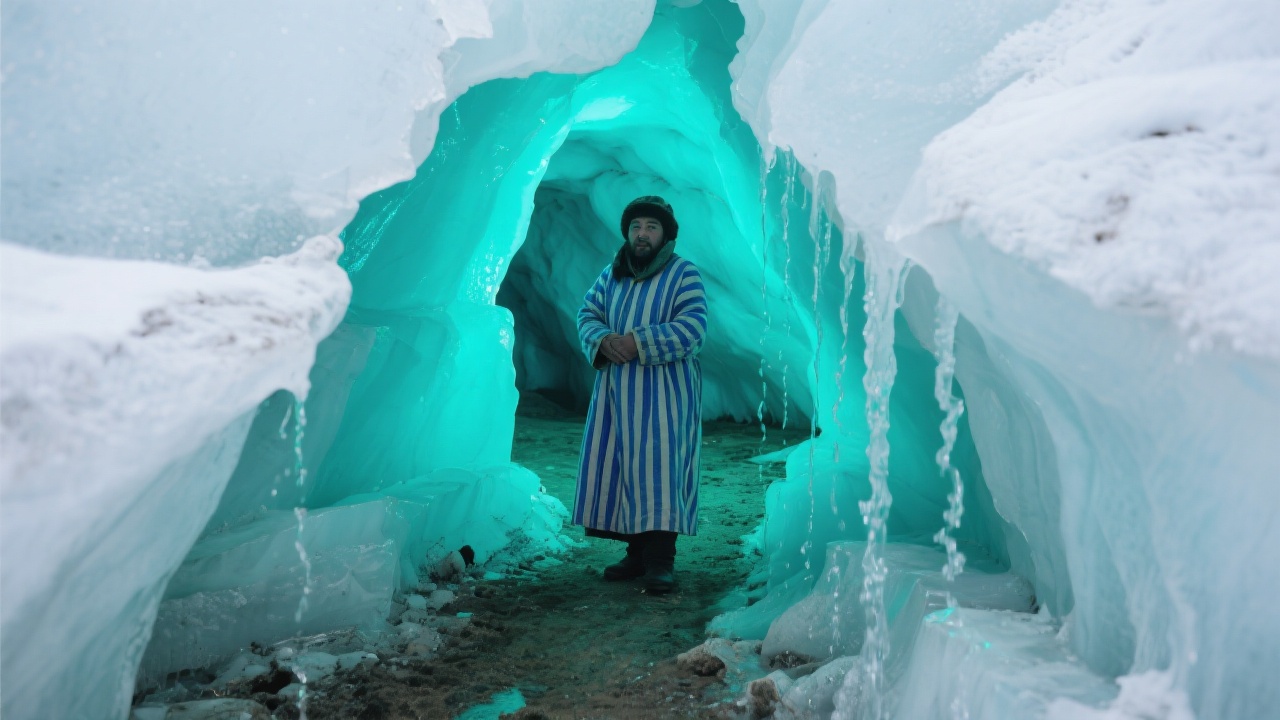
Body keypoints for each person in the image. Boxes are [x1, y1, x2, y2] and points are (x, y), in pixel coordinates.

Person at [573, 195, 708, 594]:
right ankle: (635, 554)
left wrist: (638, 342)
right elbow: (587, 314)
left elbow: (694, 327)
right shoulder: (612, 275)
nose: (642, 234)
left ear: (665, 234)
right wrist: (602, 340)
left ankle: (661, 561)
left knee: (659, 470)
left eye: (650, 226)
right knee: (621, 468)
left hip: (666, 396)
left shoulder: (684, 274)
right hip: (617, 393)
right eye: (636, 227)